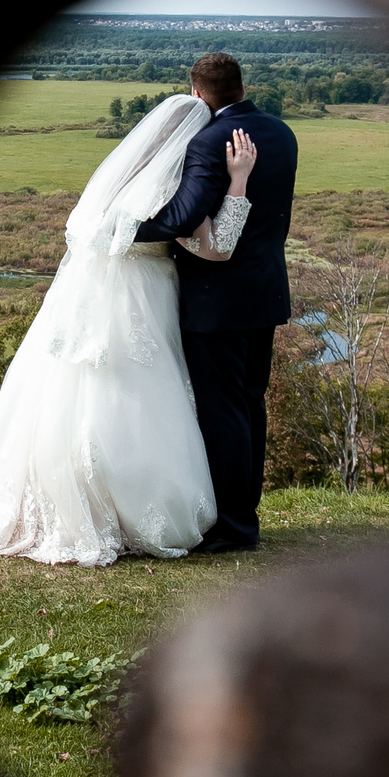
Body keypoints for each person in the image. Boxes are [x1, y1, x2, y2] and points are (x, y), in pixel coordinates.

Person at [0, 89, 260, 566]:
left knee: (72, 391)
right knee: (140, 395)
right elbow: (218, 247)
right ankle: (124, 507)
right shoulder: (176, 188)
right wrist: (238, 181)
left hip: (100, 295)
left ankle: (65, 501)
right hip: (145, 294)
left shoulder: (120, 183)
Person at [133, 52, 300, 552]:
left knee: (223, 412)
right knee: (250, 405)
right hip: (264, 293)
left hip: (217, 302)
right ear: (239, 85)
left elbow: (185, 218)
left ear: (198, 92)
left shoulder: (208, 142)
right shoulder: (282, 133)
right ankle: (244, 515)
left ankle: (233, 527)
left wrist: (122, 227)